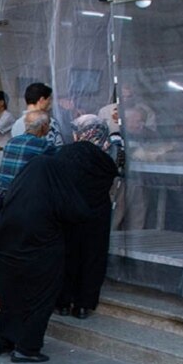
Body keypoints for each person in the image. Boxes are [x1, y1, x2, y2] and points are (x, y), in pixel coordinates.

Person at [0, 114, 118, 363]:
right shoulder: (93, 168)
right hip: (44, 248)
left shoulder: (28, 183)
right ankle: (27, 349)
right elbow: (76, 211)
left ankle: (0, 342)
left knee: (7, 294)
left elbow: (1, 206)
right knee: (40, 297)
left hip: (9, 247)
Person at [54, 115, 122, 320]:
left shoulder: (65, 153)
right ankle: (84, 305)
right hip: (97, 215)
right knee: (92, 258)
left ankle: (63, 302)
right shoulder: (108, 155)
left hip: (69, 213)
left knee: (67, 257)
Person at [0, 110, 55, 194]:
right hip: (22, 195)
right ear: (44, 126)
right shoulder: (43, 145)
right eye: (49, 124)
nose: (50, 128)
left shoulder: (11, 141)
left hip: (2, 192)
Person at [10, 82, 64, 147]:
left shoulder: (17, 124)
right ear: (42, 100)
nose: (50, 103)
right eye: (49, 99)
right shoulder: (50, 122)